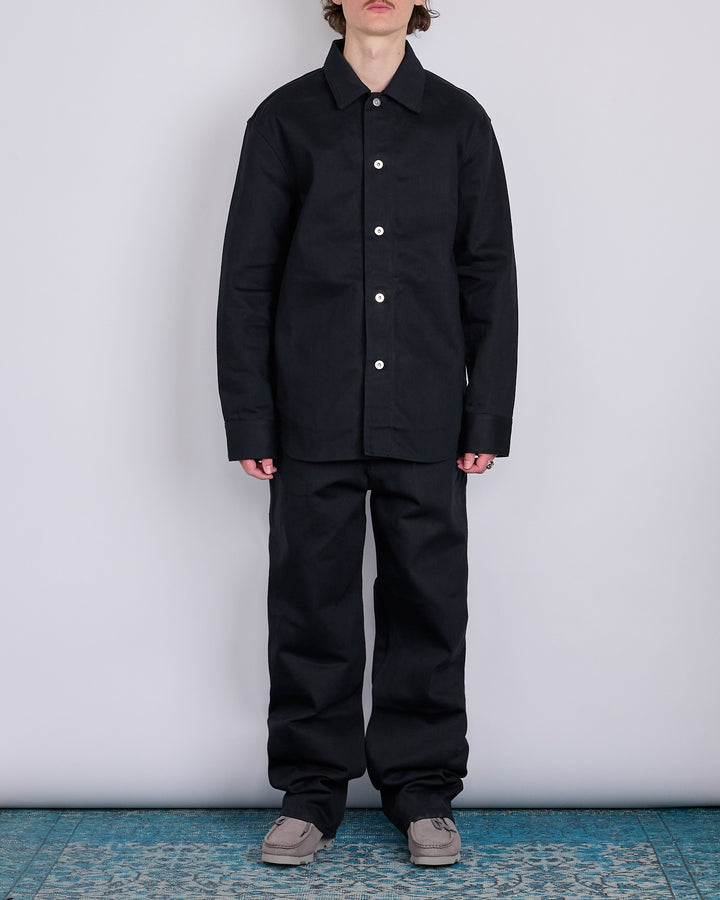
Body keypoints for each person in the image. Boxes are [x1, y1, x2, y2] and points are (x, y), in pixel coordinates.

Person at [216, 0, 518, 867]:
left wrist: (486, 412)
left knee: (428, 602)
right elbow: (247, 278)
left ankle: (422, 792)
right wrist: (251, 414)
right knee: (310, 604)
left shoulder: (460, 122)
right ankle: (311, 792)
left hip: (427, 411)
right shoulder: (283, 120)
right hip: (310, 412)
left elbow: (489, 273)